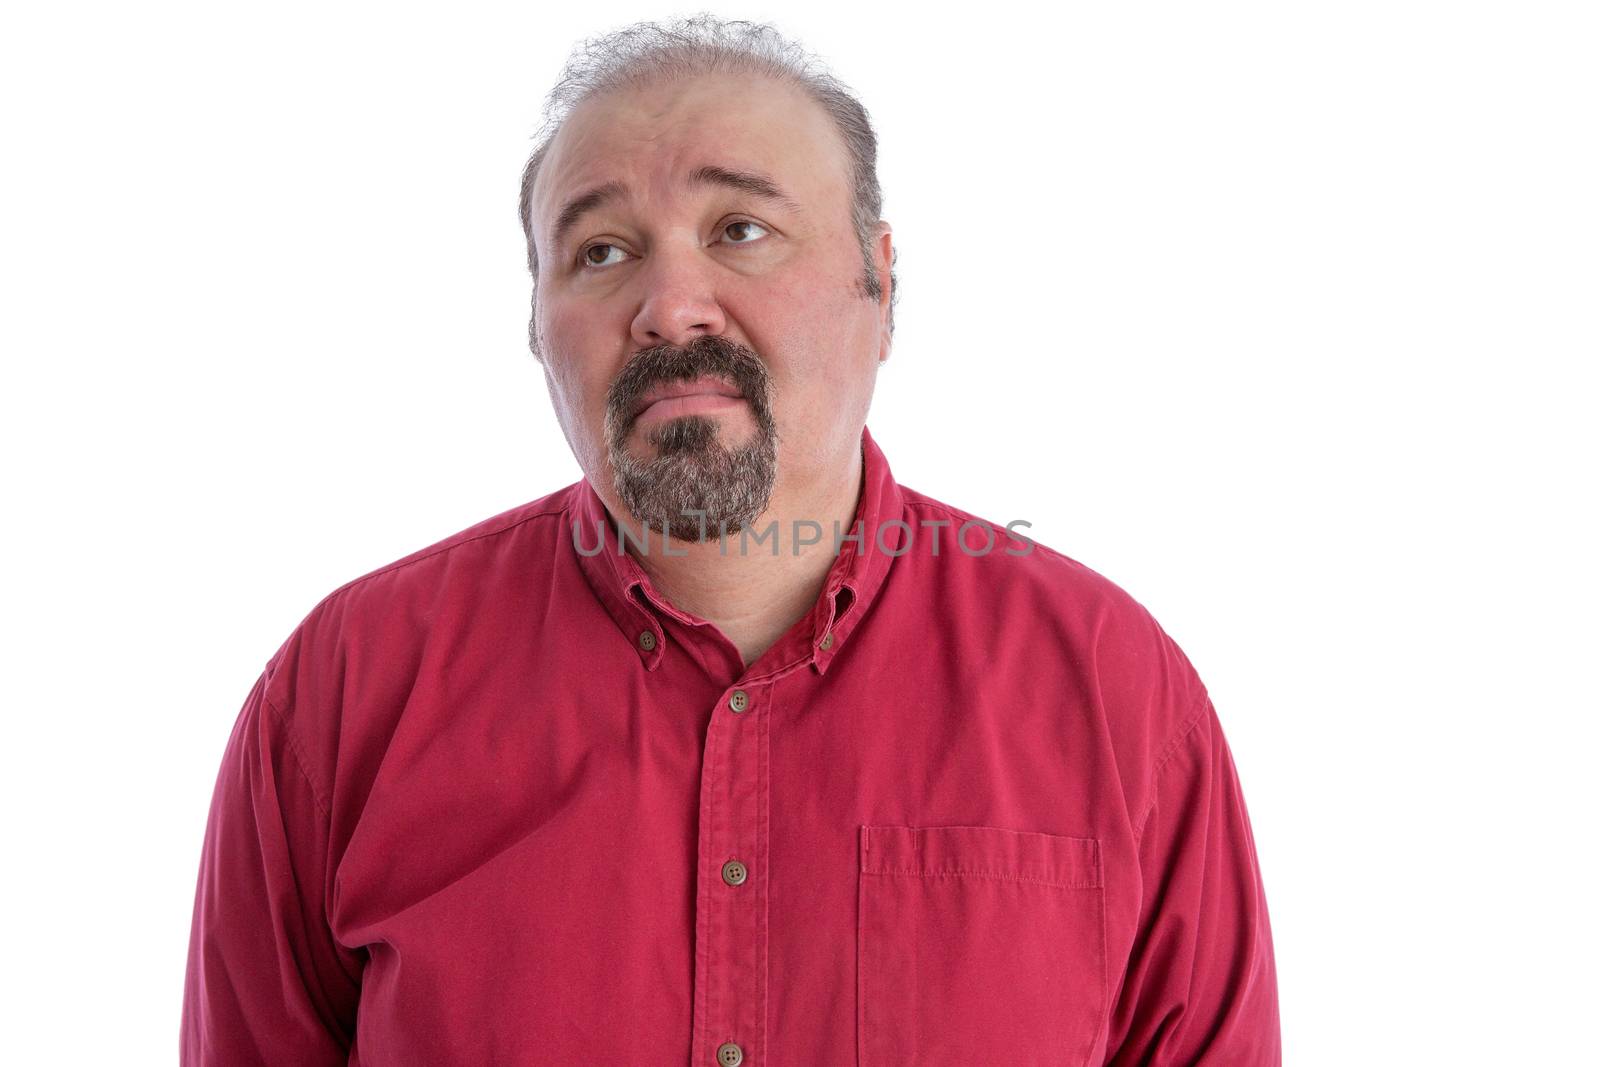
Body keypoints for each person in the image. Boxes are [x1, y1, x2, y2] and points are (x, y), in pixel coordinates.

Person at [181, 15, 1280, 1066]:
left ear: (882, 282)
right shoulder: (341, 692)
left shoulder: (1111, 686)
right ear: (536, 325)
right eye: (602, 249)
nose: (670, 305)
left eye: (739, 230)